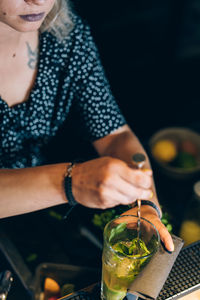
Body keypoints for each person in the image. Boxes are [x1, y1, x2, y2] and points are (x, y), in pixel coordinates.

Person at [0, 0, 174, 252]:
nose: (39, 0)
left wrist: (146, 204)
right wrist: (72, 182)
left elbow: (114, 135)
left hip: (35, 218)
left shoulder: (65, 35)